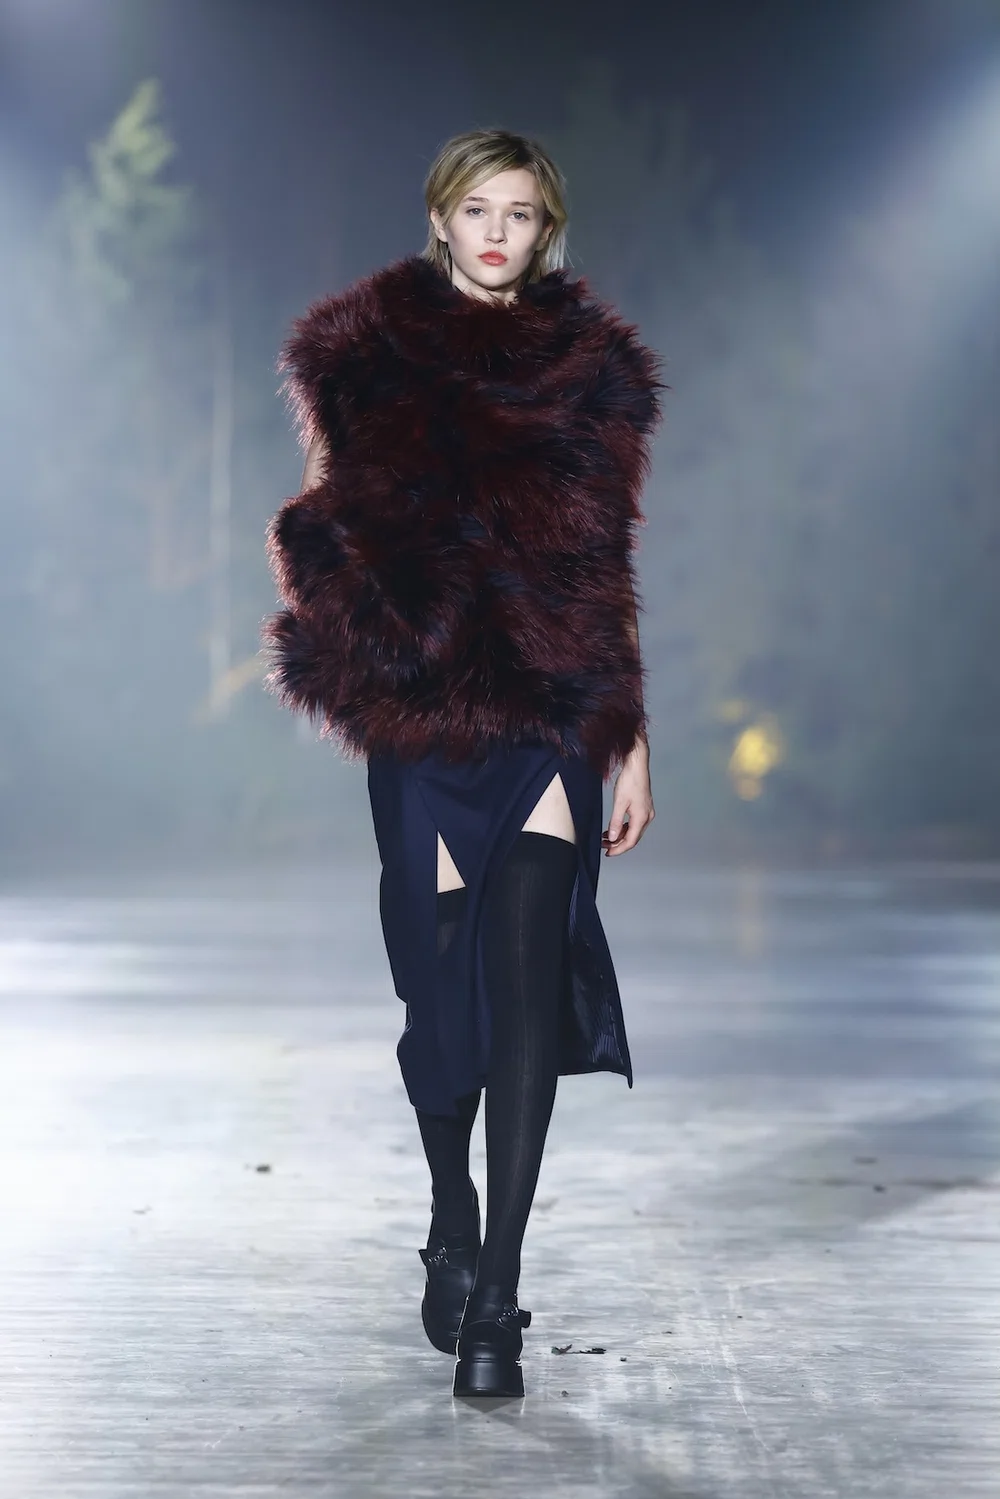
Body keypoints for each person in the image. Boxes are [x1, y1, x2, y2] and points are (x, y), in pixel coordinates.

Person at [263, 128, 662, 1399]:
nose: (498, 233)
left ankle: (498, 1297)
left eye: (521, 213)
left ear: (547, 229)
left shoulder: (589, 371)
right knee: (440, 1011)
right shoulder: (366, 352)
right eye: (477, 209)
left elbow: (605, 560)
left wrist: (632, 736)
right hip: (426, 727)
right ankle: (451, 1212)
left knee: (527, 991)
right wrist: (374, 644)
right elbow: (315, 521)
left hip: (548, 714)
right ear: (439, 217)